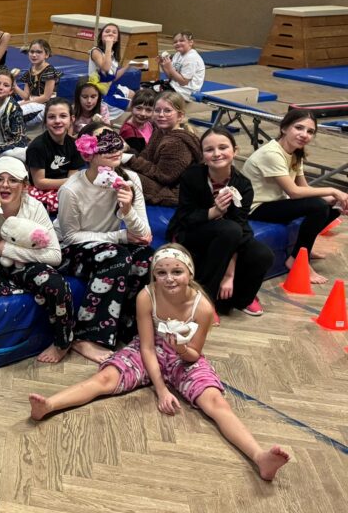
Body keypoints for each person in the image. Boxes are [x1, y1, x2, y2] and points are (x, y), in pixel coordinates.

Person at [29, 244, 292, 482]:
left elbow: (194, 354)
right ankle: (49, 405)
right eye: (161, 273)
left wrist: (180, 348)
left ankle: (259, 457)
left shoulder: (202, 307)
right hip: (149, 350)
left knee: (215, 402)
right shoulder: (147, 296)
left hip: (184, 356)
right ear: (154, 275)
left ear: (189, 273)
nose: (169, 278)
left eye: (177, 271)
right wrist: (162, 390)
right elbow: (146, 346)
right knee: (105, 378)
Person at [0, 156, 74, 363]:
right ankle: (23, 290)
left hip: (26, 263)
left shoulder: (33, 207)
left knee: (56, 284)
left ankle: (63, 343)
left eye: (13, 180)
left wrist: (6, 249)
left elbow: (55, 255)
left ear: (25, 186)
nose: (5, 185)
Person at [56, 126, 154, 363]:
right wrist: (119, 237)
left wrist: (127, 210)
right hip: (71, 250)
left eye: (115, 141)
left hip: (108, 245)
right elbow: (70, 237)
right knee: (116, 256)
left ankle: (129, 326)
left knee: (145, 256)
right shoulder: (71, 190)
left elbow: (144, 235)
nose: (114, 149)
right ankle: (86, 337)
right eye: (104, 143)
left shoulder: (130, 179)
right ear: (88, 152)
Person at [167, 129, 272, 317]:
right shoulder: (192, 176)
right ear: (203, 155)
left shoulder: (243, 185)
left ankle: (242, 299)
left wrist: (229, 275)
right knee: (228, 230)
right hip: (192, 231)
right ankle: (205, 298)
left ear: (235, 151)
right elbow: (185, 217)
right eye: (209, 149)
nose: (217, 153)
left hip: (229, 233)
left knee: (262, 253)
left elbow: (239, 225)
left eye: (223, 147)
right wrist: (214, 211)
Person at [243, 109, 347, 285]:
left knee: (333, 206)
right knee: (319, 206)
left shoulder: (295, 153)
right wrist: (333, 190)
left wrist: (333, 199)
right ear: (284, 128)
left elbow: (304, 188)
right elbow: (294, 192)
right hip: (256, 207)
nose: (304, 134)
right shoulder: (272, 153)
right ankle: (298, 259)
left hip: (277, 202)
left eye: (310, 131)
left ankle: (305, 248)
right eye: (298, 128)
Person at [125, 91, 201, 207]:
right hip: (159, 183)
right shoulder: (159, 131)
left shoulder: (177, 143)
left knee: (121, 175)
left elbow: (165, 177)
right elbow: (145, 157)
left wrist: (130, 160)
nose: (161, 115)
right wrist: (127, 152)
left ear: (180, 116)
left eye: (167, 111)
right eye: (157, 110)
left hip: (172, 193)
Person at [25, 98, 82, 215]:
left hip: (65, 187)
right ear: (45, 121)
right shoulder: (37, 147)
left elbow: (72, 176)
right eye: (51, 117)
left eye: (63, 116)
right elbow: (39, 182)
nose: (57, 121)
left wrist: (73, 183)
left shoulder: (75, 145)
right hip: (41, 191)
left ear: (72, 119)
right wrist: (73, 182)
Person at [0, 68, 28, 156]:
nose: (0, 88)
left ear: (11, 91)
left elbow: (20, 139)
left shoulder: (14, 108)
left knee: (19, 152)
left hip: (7, 149)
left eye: (6, 85)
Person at [17, 39, 61, 124]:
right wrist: (14, 85)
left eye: (39, 52)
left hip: (45, 105)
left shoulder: (49, 71)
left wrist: (26, 103)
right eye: (32, 52)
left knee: (14, 113)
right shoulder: (30, 71)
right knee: (7, 108)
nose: (34, 55)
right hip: (32, 102)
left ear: (46, 55)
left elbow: (46, 97)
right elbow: (26, 96)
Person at [158, 31, 205, 100]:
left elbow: (183, 82)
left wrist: (170, 67)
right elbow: (171, 76)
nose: (178, 43)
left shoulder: (191, 58)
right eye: (175, 42)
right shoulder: (177, 55)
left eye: (181, 41)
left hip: (186, 93)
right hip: (175, 88)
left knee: (153, 97)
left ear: (190, 42)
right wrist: (163, 65)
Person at [118, 88, 157, 153]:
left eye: (148, 110)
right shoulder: (129, 134)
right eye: (139, 108)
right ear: (131, 107)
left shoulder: (149, 123)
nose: (143, 114)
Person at [88, 22, 121, 94]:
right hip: (97, 90)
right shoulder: (96, 51)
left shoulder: (112, 54)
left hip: (109, 87)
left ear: (117, 39)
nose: (110, 34)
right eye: (107, 31)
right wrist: (108, 46)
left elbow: (113, 77)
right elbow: (105, 69)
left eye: (114, 32)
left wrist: (129, 65)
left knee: (132, 94)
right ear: (101, 36)